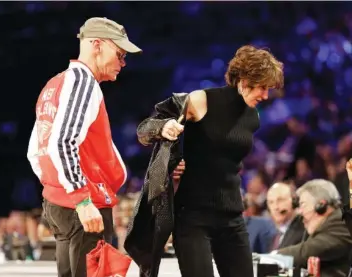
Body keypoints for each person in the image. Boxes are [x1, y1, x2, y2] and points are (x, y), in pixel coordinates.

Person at [132, 45, 284, 277]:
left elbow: (226, 162)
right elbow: (144, 130)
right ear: (243, 80)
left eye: (268, 89)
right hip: (193, 218)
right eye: (262, 87)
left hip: (232, 216)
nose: (265, 95)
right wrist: (164, 127)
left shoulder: (252, 116)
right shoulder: (201, 100)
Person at [27, 17, 141, 277]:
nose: (123, 63)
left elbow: (36, 150)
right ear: (97, 45)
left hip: (61, 205)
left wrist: (55, 188)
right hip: (84, 206)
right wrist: (81, 199)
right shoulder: (82, 83)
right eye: (120, 54)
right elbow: (62, 142)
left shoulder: (53, 85)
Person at [276, 179, 352, 277]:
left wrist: (274, 256)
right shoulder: (325, 224)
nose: (300, 212)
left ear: (321, 205)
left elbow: (308, 251)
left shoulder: (342, 222)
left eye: (303, 204)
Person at [266, 182, 306, 250]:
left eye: (280, 200)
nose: (275, 207)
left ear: (294, 202)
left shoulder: (304, 229)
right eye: (271, 202)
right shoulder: (274, 233)